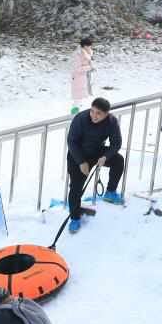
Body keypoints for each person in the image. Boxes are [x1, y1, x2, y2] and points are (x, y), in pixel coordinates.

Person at [65, 96, 126, 229]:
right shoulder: (80, 119)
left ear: (106, 114)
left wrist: (106, 156)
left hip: (97, 152)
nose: (94, 115)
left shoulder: (112, 122)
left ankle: (110, 192)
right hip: (78, 155)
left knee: (118, 160)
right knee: (76, 186)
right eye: (92, 111)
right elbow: (71, 142)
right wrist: (81, 162)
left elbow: (116, 143)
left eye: (99, 113)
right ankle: (74, 218)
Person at [70, 36, 94, 107]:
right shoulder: (78, 54)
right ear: (84, 46)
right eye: (89, 46)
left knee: (81, 100)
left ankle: (77, 112)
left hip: (84, 78)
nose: (90, 47)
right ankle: (74, 114)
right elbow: (77, 68)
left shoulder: (87, 53)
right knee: (77, 100)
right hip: (78, 79)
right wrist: (89, 67)